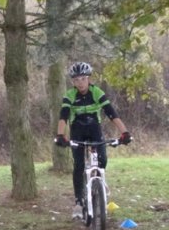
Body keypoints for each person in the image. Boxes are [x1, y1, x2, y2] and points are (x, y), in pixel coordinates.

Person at [55, 61, 131, 218]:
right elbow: (63, 116)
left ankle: (99, 187)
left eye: (83, 79)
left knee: (102, 160)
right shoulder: (70, 95)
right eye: (76, 80)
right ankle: (78, 202)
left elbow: (111, 113)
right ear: (73, 82)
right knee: (79, 165)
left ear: (89, 79)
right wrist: (60, 135)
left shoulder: (97, 92)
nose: (80, 83)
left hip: (94, 129)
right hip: (77, 130)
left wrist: (124, 132)